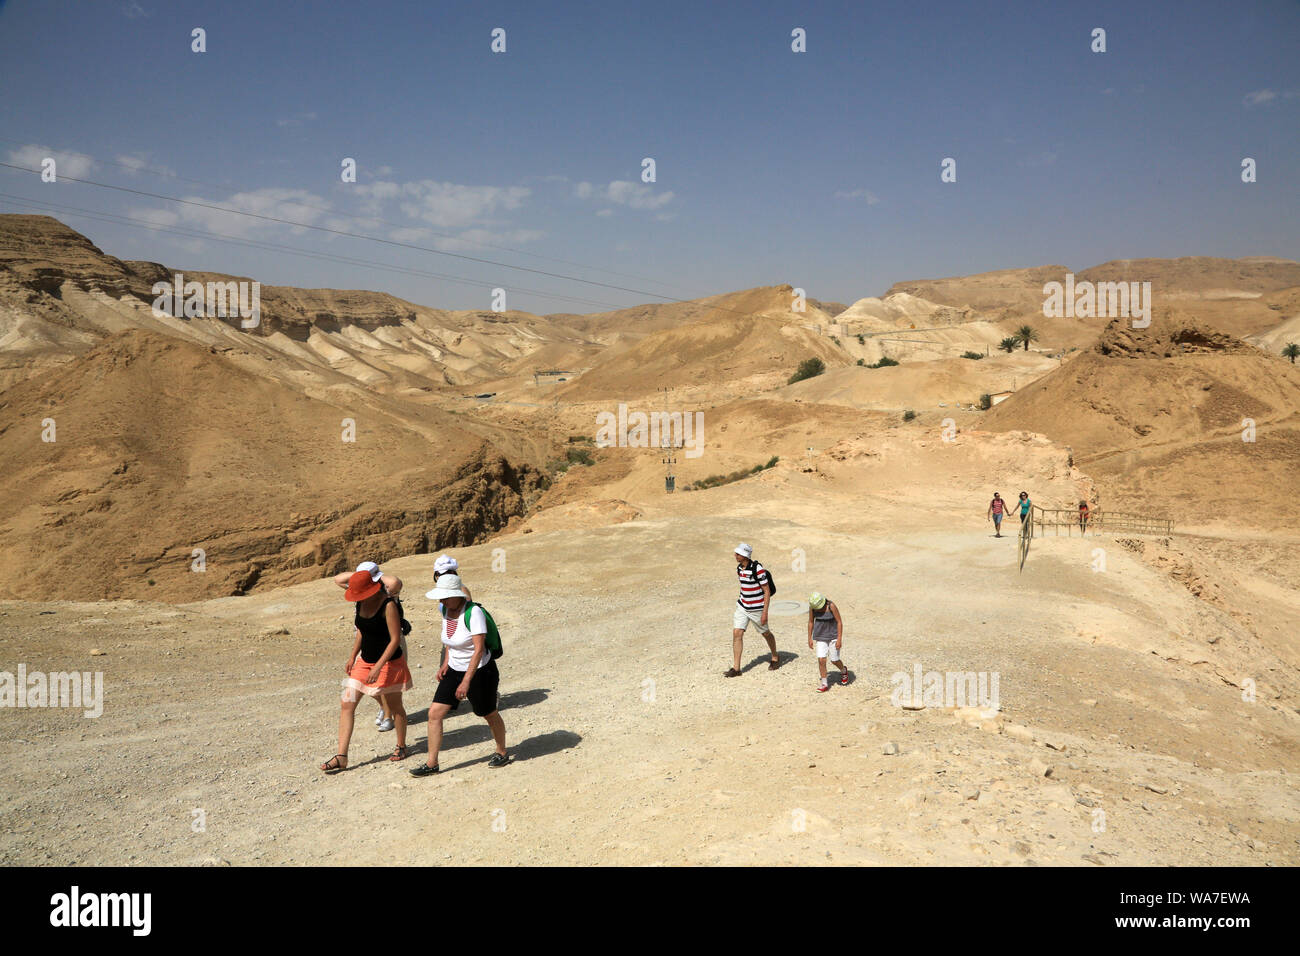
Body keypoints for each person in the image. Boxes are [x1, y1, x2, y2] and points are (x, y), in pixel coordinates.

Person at [410, 573, 508, 776]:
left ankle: (502, 751)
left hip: (480, 671)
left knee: (487, 713)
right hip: (455, 669)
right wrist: (445, 664)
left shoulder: (474, 613)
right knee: (434, 714)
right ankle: (432, 763)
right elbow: (449, 640)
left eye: (445, 596)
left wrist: (465, 682)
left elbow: (478, 650)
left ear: (457, 595)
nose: (441, 600)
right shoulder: (447, 609)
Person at [321, 571, 413, 773]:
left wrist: (379, 666)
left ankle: (401, 746)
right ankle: (341, 756)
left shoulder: (388, 605)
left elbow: (395, 639)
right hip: (365, 662)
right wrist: (353, 655)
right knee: (347, 703)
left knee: (395, 706)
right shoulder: (361, 602)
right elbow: (361, 629)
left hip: (389, 663)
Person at [333, 561, 405, 731]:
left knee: (387, 688)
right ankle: (385, 710)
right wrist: (361, 576)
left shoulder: (387, 595)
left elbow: (395, 582)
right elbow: (338, 579)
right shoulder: (359, 594)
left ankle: (391, 717)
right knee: (360, 689)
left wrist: (375, 576)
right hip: (365, 643)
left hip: (388, 646)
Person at [727, 543, 779, 677]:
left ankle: (775, 657)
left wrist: (764, 612)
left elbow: (766, 591)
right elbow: (744, 587)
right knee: (737, 633)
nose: (735, 556)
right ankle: (736, 668)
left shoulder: (758, 569)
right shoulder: (739, 568)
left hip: (757, 609)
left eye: (738, 554)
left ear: (745, 555)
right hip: (742, 606)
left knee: (766, 633)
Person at [807, 592, 848, 692]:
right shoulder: (812, 608)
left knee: (834, 660)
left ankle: (843, 670)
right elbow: (811, 622)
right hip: (820, 636)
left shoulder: (831, 606)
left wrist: (839, 638)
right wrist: (809, 638)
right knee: (821, 660)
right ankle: (824, 683)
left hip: (833, 637)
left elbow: (839, 622)